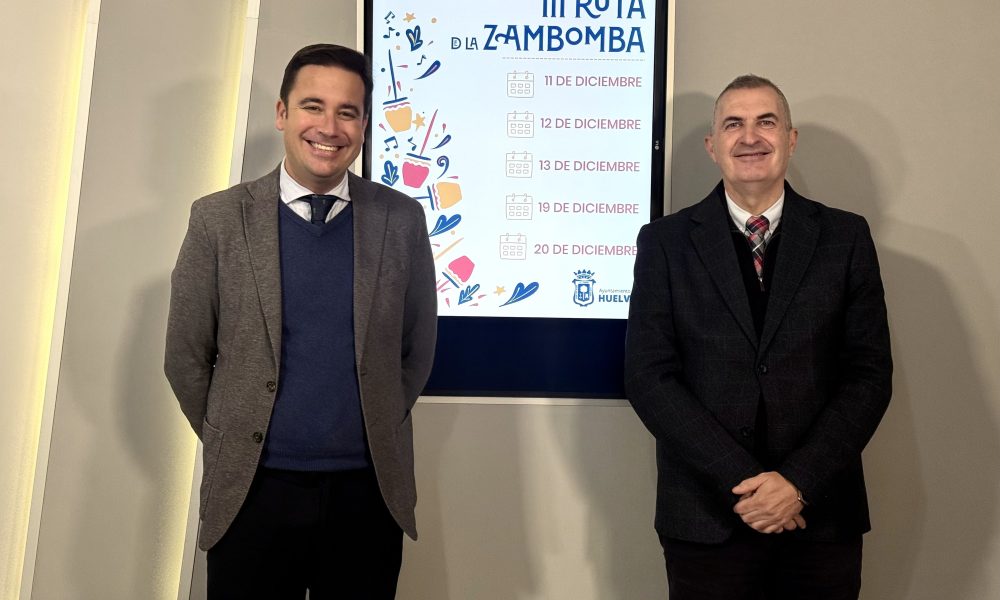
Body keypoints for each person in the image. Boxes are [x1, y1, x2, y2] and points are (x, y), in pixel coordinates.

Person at [165, 43, 437, 598]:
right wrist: (232, 434)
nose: (329, 128)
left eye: (347, 112)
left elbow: (416, 349)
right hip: (252, 492)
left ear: (363, 125)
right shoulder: (218, 220)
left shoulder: (401, 220)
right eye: (313, 106)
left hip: (368, 495)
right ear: (282, 114)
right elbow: (186, 357)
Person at [624, 74, 892, 599]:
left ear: (790, 139)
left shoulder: (846, 237)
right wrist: (746, 484)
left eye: (766, 122)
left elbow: (868, 376)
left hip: (820, 515)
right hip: (706, 517)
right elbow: (649, 378)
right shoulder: (665, 243)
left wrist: (797, 483)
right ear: (712, 146)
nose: (750, 137)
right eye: (734, 124)